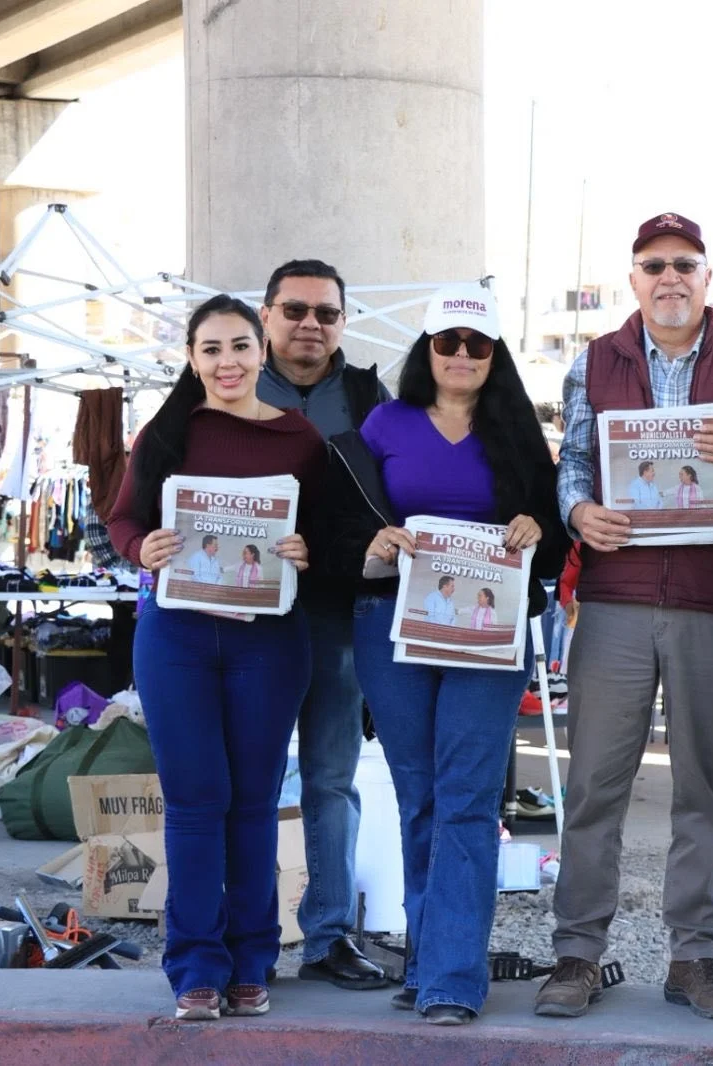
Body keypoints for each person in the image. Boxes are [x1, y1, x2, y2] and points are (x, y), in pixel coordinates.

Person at [541, 212, 713, 1021]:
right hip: (618, 596)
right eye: (654, 264)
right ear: (634, 280)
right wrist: (579, 510)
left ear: (706, 278)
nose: (670, 277)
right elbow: (575, 461)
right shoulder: (595, 363)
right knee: (593, 786)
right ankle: (577, 953)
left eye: (685, 263)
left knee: (703, 790)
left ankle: (695, 957)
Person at [326, 283, 565, 1025]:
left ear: (495, 357)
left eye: (478, 345)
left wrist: (534, 529)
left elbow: (558, 534)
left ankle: (452, 977)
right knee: (421, 794)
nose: (462, 355)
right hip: (392, 626)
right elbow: (344, 517)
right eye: (448, 342)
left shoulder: (520, 434)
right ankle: (430, 956)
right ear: (426, 349)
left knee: (465, 799)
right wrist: (374, 541)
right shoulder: (383, 424)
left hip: (486, 636)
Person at [107, 294, 324, 1021]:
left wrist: (306, 549)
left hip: (269, 641)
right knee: (197, 803)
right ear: (192, 357)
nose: (227, 362)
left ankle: (252, 962)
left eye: (239, 346)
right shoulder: (166, 433)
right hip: (178, 639)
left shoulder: (300, 439)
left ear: (261, 351)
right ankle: (196, 968)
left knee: (255, 803)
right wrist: (145, 548)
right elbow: (123, 519)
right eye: (211, 349)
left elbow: (328, 536)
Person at [256, 258, 390, 991]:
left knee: (332, 781)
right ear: (267, 313)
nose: (311, 324)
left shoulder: (369, 395)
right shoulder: (229, 378)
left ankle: (329, 935)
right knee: (247, 781)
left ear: (344, 320)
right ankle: (245, 935)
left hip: (340, 612)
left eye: (326, 313)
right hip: (245, 617)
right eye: (296, 310)